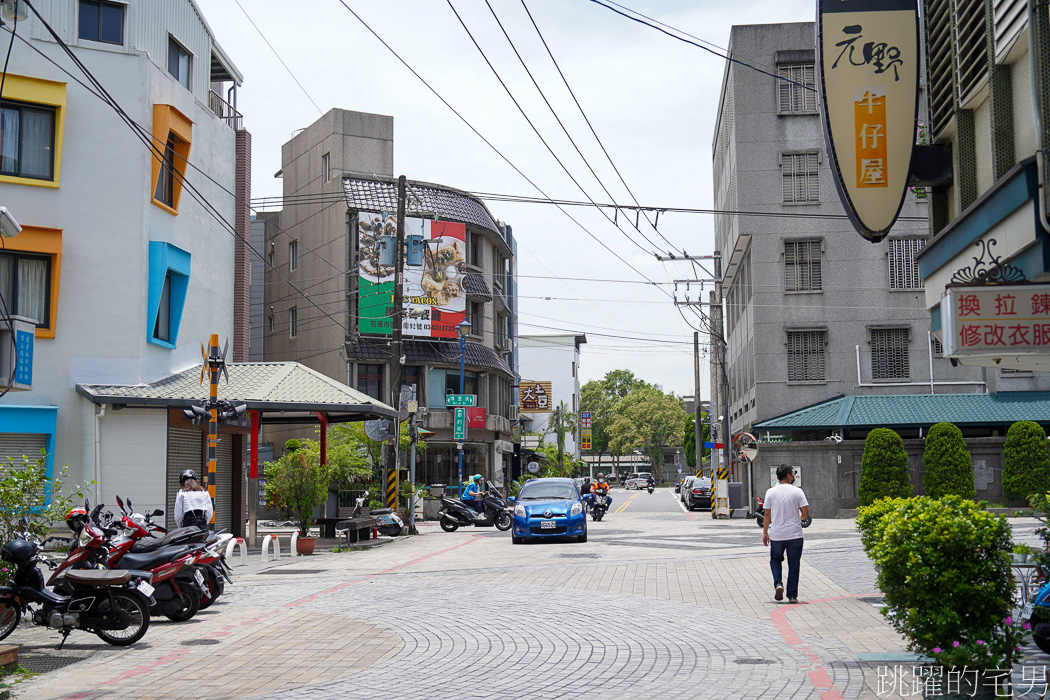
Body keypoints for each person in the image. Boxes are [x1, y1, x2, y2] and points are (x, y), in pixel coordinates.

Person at [762, 464, 810, 604]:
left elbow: (766, 514)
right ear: (788, 476)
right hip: (795, 534)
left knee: (775, 560)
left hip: (777, 534)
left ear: (777, 477)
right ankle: (792, 596)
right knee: (794, 564)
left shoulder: (770, 492)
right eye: (792, 474)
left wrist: (765, 532)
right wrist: (799, 518)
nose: (793, 476)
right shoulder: (798, 491)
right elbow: (806, 512)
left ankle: (778, 584)